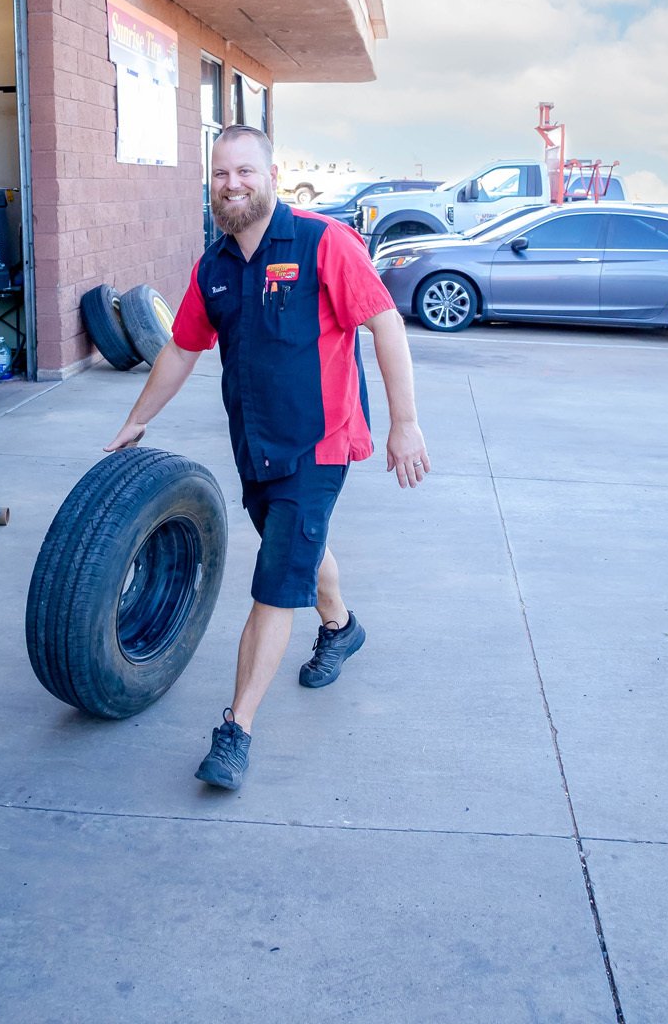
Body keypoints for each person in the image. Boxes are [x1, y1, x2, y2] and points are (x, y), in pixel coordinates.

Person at [105, 125, 430, 790]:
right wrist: (138, 418)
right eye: (221, 174)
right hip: (256, 446)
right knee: (297, 547)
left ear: (272, 176)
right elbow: (182, 349)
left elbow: (384, 323)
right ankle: (340, 626)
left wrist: (406, 424)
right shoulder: (214, 269)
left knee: (275, 582)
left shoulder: (322, 242)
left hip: (320, 443)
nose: (233, 185)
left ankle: (237, 729)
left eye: (245, 171)